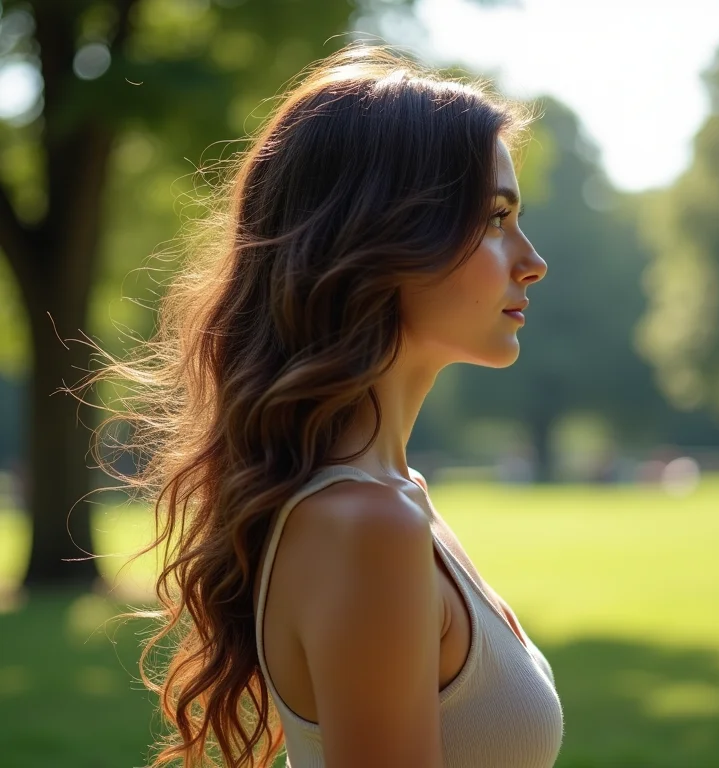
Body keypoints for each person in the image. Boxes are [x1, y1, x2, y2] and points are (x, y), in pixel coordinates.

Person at [86, 43, 563, 768]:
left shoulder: (394, 499)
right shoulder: (366, 524)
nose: (533, 261)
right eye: (495, 218)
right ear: (384, 235)